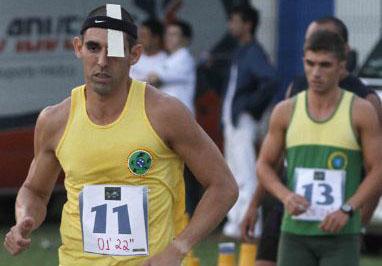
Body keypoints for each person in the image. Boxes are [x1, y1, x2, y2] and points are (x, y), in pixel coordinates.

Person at [3, 5, 238, 266]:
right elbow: (35, 191)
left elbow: (224, 186)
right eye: (93, 48)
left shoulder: (164, 113)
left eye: (114, 51)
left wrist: (178, 247)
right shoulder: (55, 120)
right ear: (78, 47)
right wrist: (24, 220)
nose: (102, 61)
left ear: (135, 54)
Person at [240, 16, 382, 266]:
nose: (316, 73)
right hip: (294, 234)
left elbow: (378, 169)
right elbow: (264, 164)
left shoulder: (361, 110)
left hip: (340, 234)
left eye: (325, 65)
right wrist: (283, 197)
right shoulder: (286, 110)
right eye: (310, 63)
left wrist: (350, 211)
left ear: (341, 66)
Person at [221, 4, 278, 239]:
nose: (230, 25)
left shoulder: (253, 51)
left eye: (235, 20)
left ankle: (252, 225)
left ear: (248, 25)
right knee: (234, 172)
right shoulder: (241, 50)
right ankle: (236, 223)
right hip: (233, 120)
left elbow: (271, 80)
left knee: (246, 172)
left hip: (242, 121)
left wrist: (250, 107)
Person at [147, 20, 196, 115]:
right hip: (170, 114)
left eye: (173, 35)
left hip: (182, 116)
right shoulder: (169, 59)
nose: (168, 38)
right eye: (167, 34)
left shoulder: (184, 58)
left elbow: (154, 79)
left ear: (185, 39)